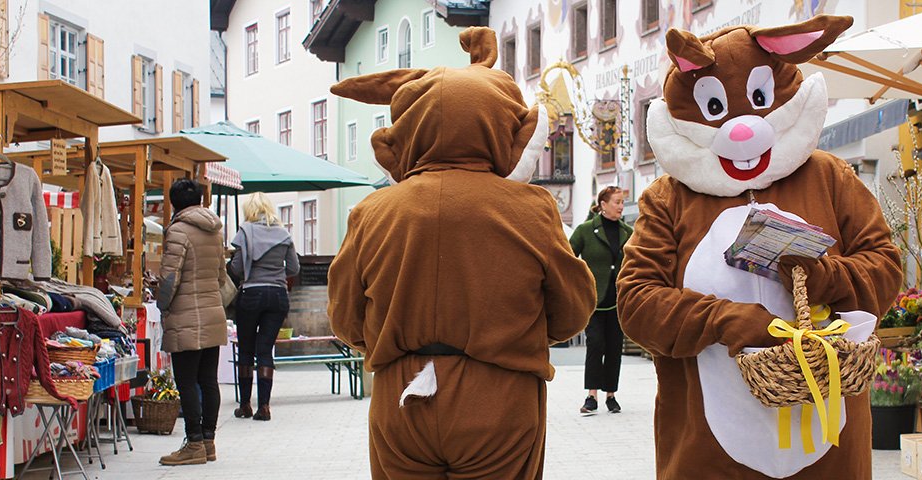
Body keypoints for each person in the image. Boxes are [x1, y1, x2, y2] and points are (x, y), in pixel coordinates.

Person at [617, 18, 902, 479]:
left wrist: (823, 274)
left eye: (758, 101)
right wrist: (723, 320)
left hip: (828, 445)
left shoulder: (828, 177)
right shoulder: (669, 198)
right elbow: (635, 302)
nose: (741, 128)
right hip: (706, 450)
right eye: (715, 108)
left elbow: (885, 270)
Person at [327, 27, 595, 480]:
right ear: (501, 125)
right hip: (500, 396)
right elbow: (572, 310)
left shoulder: (372, 212)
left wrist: (391, 339)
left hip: (402, 394)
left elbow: (345, 317)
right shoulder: (531, 208)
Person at [156, 178, 229, 466]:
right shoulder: (215, 230)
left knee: (186, 381)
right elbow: (222, 276)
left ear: (173, 202)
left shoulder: (178, 230)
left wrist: (162, 305)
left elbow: (169, 278)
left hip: (186, 314)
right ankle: (208, 443)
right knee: (208, 380)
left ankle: (194, 444)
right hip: (212, 312)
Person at [229, 192, 300, 421]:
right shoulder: (284, 234)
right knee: (265, 350)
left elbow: (237, 269)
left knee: (247, 350)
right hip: (278, 295)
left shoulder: (244, 232)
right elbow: (294, 268)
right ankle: (265, 407)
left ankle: (245, 405)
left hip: (251, 294)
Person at [569, 186, 632, 414]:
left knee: (615, 346)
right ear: (603, 204)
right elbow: (568, 256)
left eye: (623, 203)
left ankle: (611, 395)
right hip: (594, 300)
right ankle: (591, 396)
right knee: (596, 344)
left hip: (618, 301)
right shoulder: (586, 230)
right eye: (617, 202)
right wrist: (578, 283)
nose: (621, 206)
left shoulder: (628, 232)